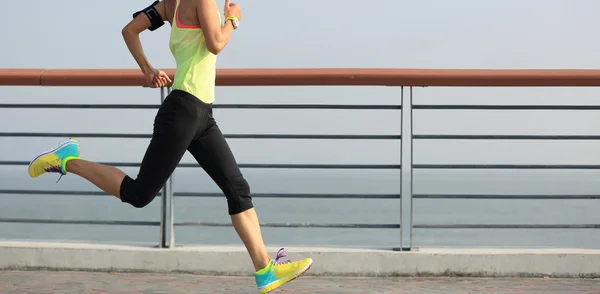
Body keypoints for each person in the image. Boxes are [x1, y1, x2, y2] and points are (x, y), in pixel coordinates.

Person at [27, 0, 313, 292]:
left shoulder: (168, 5)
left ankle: (265, 270)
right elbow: (215, 44)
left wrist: (149, 71)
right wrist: (233, 20)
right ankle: (66, 159)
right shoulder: (202, 1)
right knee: (139, 194)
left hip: (200, 115)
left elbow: (129, 31)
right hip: (183, 112)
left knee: (237, 189)